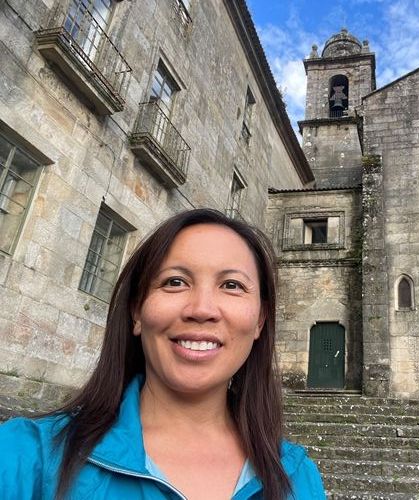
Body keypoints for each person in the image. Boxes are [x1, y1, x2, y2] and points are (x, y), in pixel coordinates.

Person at [0, 208, 326, 499]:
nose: (202, 309)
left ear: (260, 321)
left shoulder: (298, 479)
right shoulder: (25, 456)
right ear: (137, 312)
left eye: (231, 285)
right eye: (175, 282)